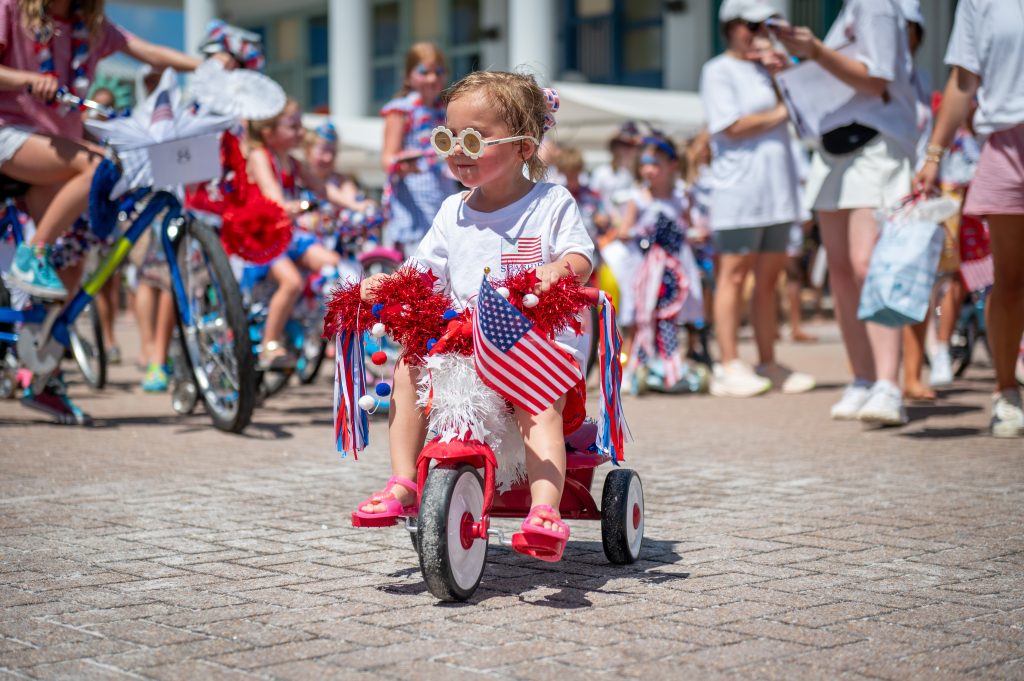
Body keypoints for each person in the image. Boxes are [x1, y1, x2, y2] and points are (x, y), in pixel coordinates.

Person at [353, 71, 592, 560]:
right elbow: (424, 269)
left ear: (525, 147)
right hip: (462, 340)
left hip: (532, 341)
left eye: (473, 139)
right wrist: (393, 282)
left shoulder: (549, 203)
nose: (456, 150)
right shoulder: (452, 211)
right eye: (447, 137)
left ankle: (545, 509)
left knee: (536, 396)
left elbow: (580, 257)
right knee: (407, 367)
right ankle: (403, 482)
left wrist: (558, 269)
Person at [0, 0, 199, 422]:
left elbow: (148, 52)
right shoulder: (9, 9)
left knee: (70, 265)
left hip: (56, 151)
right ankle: (29, 255)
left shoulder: (89, 26)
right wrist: (28, 80)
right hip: (11, 136)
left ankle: (43, 374)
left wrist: (212, 69)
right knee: (96, 166)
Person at [775, 0, 917, 424]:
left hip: (874, 144)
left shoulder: (876, 4)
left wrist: (815, 53)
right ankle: (863, 378)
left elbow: (877, 80)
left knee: (867, 265)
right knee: (840, 270)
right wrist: (795, 63)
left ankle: (889, 384)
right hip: (834, 147)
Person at [915, 0, 1024, 438]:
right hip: (1005, 146)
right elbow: (963, 80)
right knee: (1011, 279)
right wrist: (933, 156)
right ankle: (1005, 391)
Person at [700, 0, 815, 398]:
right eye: (751, 25)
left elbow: (807, 113)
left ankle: (768, 361)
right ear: (730, 26)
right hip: (739, 194)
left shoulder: (773, 70)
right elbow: (730, 125)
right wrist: (783, 110)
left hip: (779, 192)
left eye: (766, 26)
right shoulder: (717, 70)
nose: (758, 33)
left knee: (769, 280)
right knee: (733, 276)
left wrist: (785, 78)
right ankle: (728, 363)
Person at [246, 99, 341, 370]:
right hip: (262, 236)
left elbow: (324, 189)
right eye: (294, 126)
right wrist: (298, 205)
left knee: (332, 264)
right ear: (268, 132)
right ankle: (269, 344)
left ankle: (311, 321)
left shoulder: (292, 162)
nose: (301, 132)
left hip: (288, 234)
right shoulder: (259, 156)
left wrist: (356, 204)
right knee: (291, 282)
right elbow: (274, 200)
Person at [618, 135, 707, 394]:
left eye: (655, 163)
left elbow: (689, 227)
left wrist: (694, 234)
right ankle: (632, 367)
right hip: (646, 270)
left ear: (672, 165)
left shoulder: (681, 198)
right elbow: (624, 230)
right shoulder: (639, 198)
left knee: (671, 316)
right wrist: (638, 234)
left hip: (675, 268)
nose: (648, 169)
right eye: (645, 163)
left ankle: (671, 363)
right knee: (641, 317)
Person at [379, 42, 456, 254]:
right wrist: (406, 163)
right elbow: (387, 159)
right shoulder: (400, 110)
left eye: (438, 72)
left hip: (443, 190)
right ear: (408, 77)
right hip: (412, 197)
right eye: (424, 72)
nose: (432, 78)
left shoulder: (447, 110)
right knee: (419, 259)